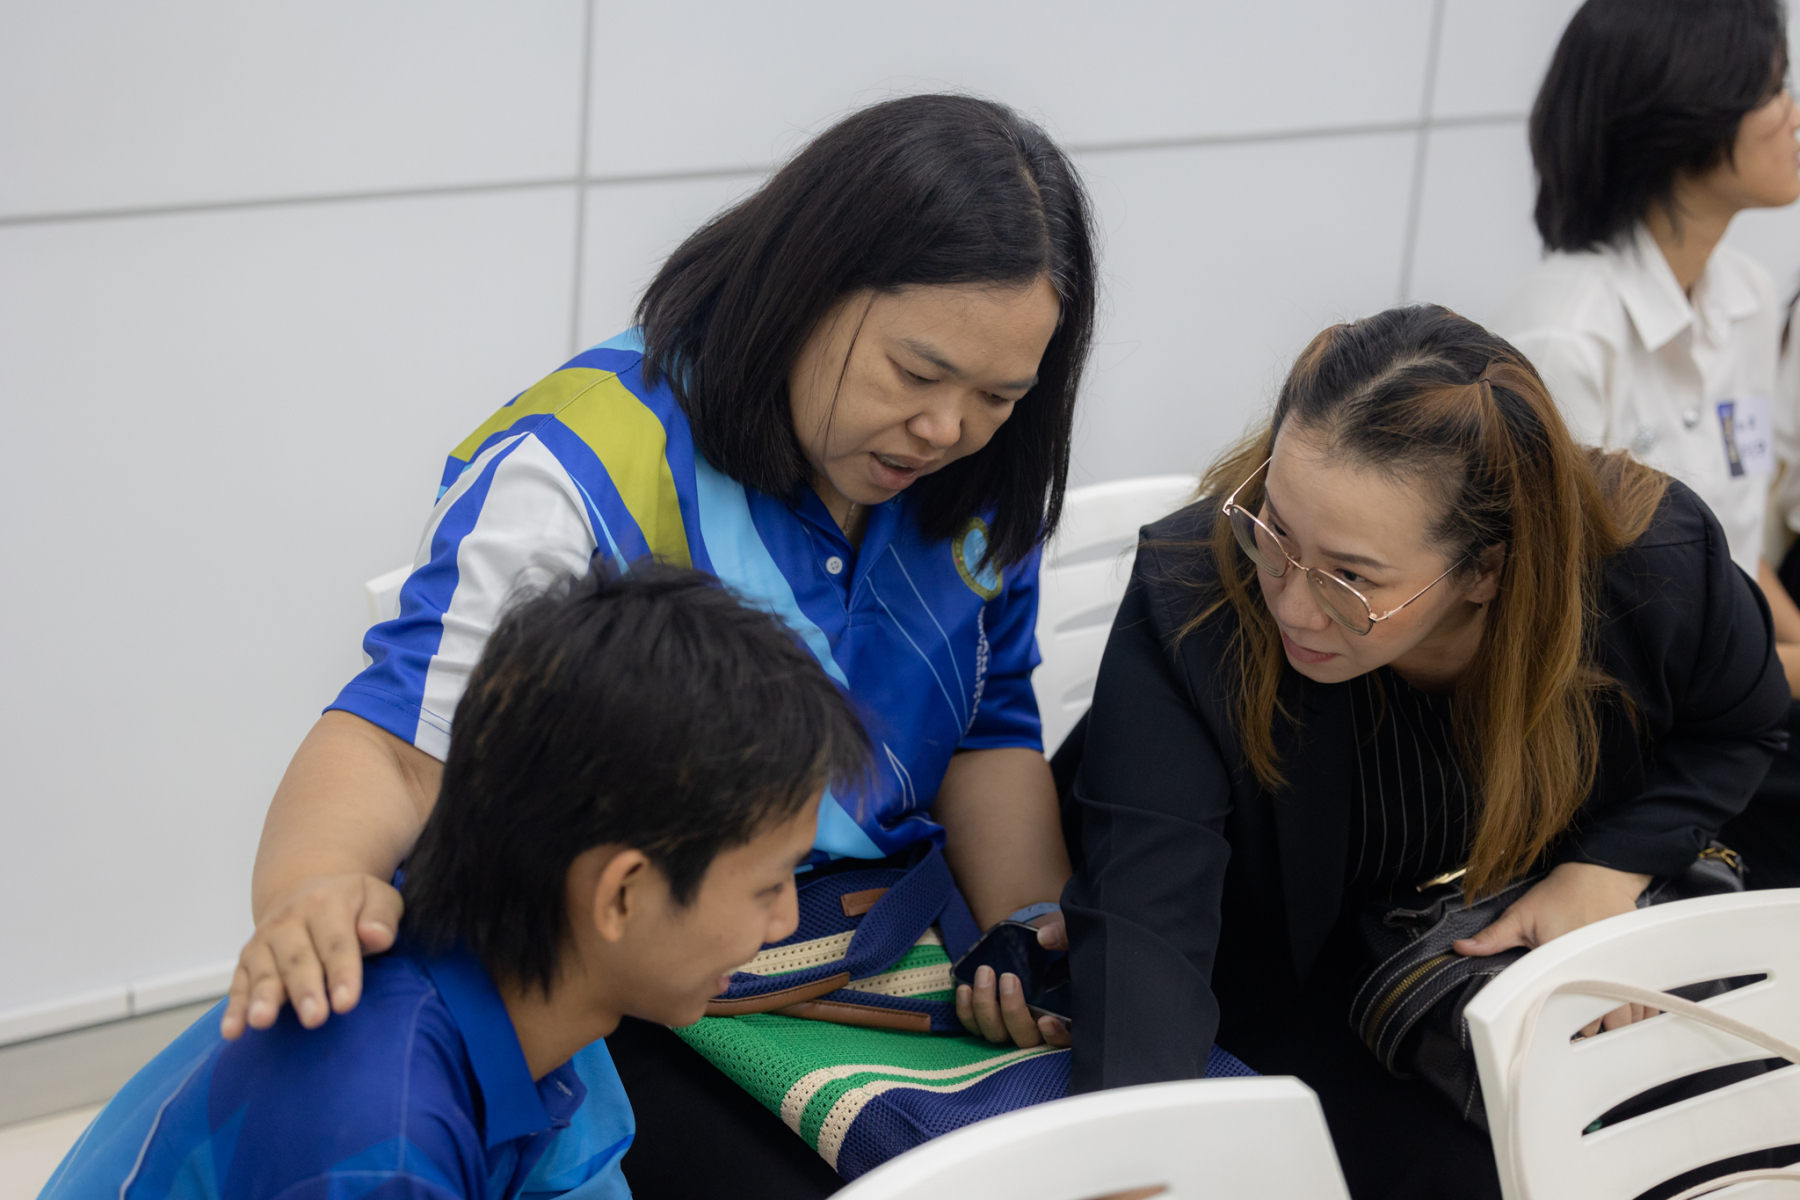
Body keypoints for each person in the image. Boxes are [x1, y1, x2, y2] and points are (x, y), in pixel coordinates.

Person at [220, 94, 1095, 1198]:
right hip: (655, 974)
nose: (948, 429)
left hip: (887, 950)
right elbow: (405, 746)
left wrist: (1029, 932)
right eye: (917, 375)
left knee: (1154, 1147)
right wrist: (314, 892)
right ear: (805, 288)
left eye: (999, 396)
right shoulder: (586, 465)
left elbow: (988, 727)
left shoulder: (976, 476)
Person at [1060, 306, 1789, 1200]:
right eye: (1274, 530)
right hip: (1294, 975)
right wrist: (1132, 1170)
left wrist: (1608, 869)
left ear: (1487, 569)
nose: (1291, 604)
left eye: (1351, 578)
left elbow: (1744, 724)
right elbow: (1149, 932)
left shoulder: (1648, 562)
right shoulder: (1198, 596)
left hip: (1505, 942)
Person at [41, 564, 869, 1200]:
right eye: (769, 886)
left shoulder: (540, 985)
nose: (784, 921)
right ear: (620, 895)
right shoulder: (382, 1141)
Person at [1493, 0, 1800, 887]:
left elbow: (1737, 551)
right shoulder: (1565, 335)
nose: (1793, 113)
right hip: (1629, 727)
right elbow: (1578, 637)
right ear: (1687, 117)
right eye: (1774, 89)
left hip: (1726, 685)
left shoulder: (1744, 294)